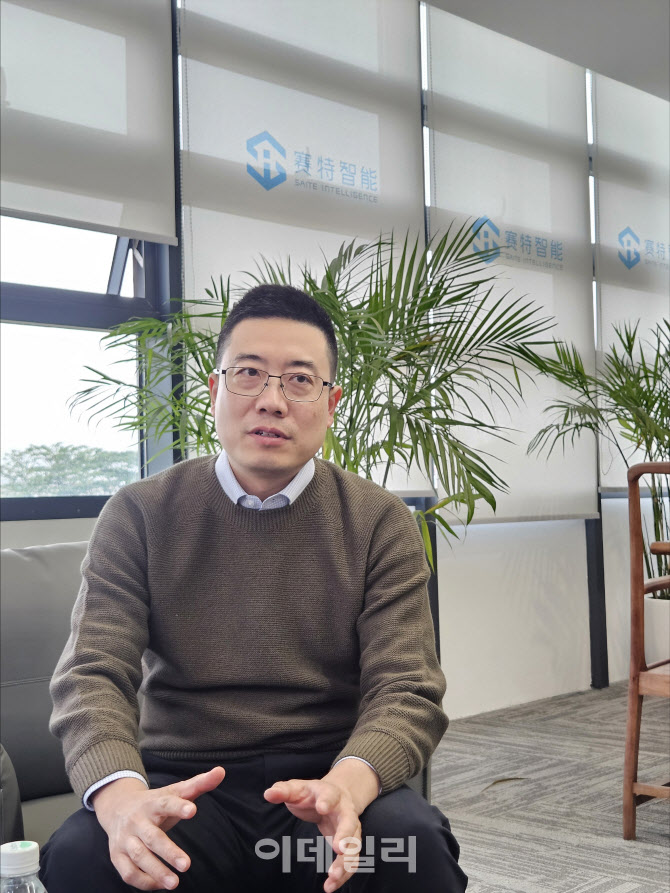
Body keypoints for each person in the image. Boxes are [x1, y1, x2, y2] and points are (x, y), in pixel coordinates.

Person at [40, 284, 467, 893]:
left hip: (319, 798)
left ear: (331, 402)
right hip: (186, 797)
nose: (271, 400)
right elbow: (91, 674)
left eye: (299, 380)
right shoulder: (140, 513)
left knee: (409, 851)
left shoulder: (379, 521)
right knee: (86, 857)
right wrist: (122, 800)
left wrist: (345, 789)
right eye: (248, 374)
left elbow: (408, 688)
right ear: (214, 390)